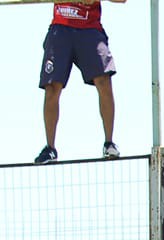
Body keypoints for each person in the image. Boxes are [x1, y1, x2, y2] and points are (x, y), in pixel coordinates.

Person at [35, 0, 121, 163]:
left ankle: (109, 143)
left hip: (89, 29)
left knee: (104, 80)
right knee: (52, 86)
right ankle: (50, 148)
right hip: (61, 27)